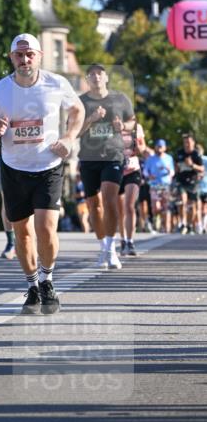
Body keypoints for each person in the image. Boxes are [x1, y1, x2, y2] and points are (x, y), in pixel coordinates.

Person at [0, 33, 84, 316]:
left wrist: (69, 137)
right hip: (13, 167)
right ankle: (32, 286)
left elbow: (77, 109)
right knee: (22, 233)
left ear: (39, 56)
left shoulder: (56, 84)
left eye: (30, 55)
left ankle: (47, 280)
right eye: (19, 55)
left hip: (48, 165)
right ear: (11, 57)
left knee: (46, 227)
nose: (24, 60)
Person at [77, 63, 135, 271]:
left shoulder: (120, 99)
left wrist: (123, 127)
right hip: (88, 158)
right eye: (91, 74)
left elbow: (132, 122)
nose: (96, 77)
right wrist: (91, 119)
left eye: (99, 73)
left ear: (106, 77)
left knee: (110, 200)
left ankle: (111, 249)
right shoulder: (81, 101)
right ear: (87, 79)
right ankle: (103, 246)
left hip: (113, 156)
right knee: (94, 206)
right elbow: (73, 131)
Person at [117, 120, 147, 256]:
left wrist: (137, 145)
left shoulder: (136, 128)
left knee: (129, 206)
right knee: (120, 210)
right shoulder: (113, 126)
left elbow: (143, 149)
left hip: (133, 170)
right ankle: (122, 239)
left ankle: (130, 241)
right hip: (116, 170)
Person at [175, 132, 204, 233]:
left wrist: (192, 165)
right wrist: (177, 169)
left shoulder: (196, 154)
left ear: (193, 142)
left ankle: (190, 225)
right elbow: (176, 166)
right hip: (181, 181)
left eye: (188, 142)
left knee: (192, 205)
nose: (187, 144)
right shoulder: (179, 152)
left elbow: (202, 169)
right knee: (182, 201)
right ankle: (183, 223)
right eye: (185, 142)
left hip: (193, 182)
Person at [142, 139, 174, 234]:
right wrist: (149, 176)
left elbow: (172, 172)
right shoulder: (150, 159)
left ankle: (166, 227)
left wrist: (168, 171)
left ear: (165, 148)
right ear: (155, 147)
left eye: (161, 146)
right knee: (155, 206)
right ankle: (157, 220)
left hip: (165, 185)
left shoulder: (169, 158)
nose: (159, 148)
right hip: (154, 185)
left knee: (166, 206)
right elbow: (145, 171)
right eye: (157, 146)